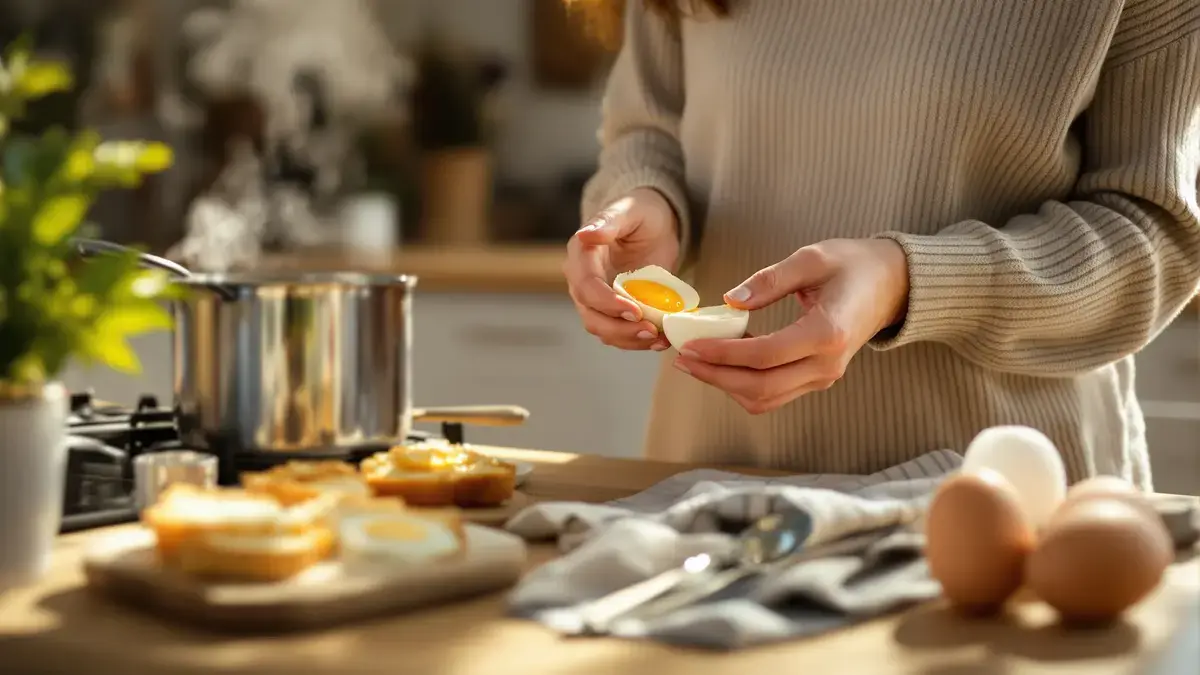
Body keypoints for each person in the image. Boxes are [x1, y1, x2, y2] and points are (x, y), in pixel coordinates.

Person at [561, 0, 1200, 488]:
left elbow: (1151, 233)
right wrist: (648, 202)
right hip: (719, 488)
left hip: (1002, 493)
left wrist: (911, 280)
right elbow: (647, 128)